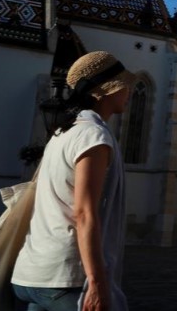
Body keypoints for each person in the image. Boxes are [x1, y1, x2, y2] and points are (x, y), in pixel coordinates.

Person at [12, 51, 134, 311]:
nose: (129, 91)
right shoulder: (93, 135)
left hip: (31, 273)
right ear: (103, 91)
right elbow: (84, 213)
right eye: (123, 85)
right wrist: (98, 283)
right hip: (65, 276)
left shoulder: (62, 133)